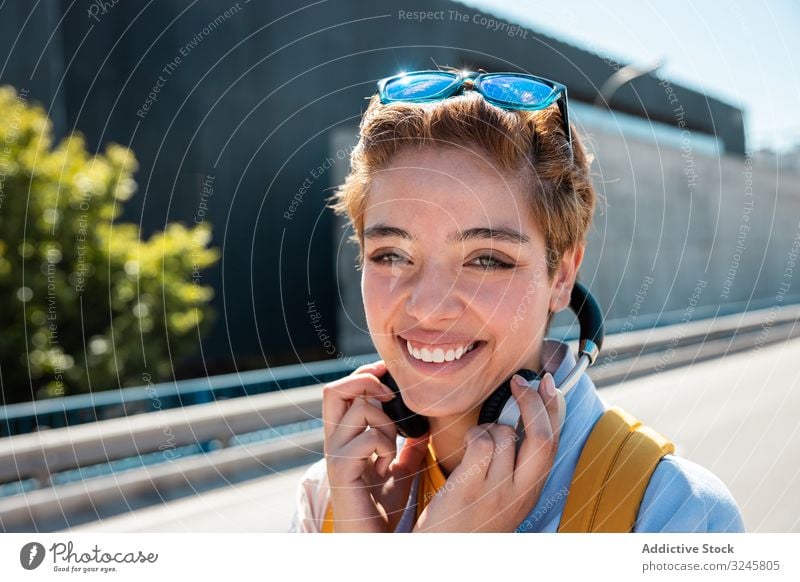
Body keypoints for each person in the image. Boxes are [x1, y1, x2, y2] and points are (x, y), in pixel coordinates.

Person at [289, 68, 745, 533]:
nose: (427, 306)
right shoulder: (329, 495)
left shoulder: (675, 514)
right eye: (391, 254)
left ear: (561, 274)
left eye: (486, 259)